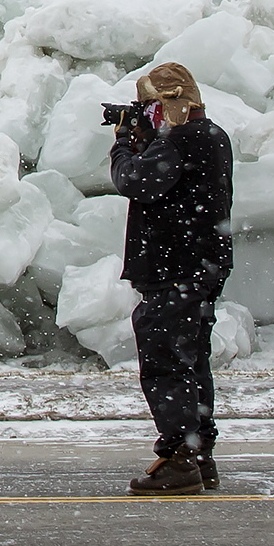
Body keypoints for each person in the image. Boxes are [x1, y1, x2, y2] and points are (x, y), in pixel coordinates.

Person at [106, 60, 234, 494]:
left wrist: (123, 145)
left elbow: (135, 181)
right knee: (192, 360)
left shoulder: (179, 142)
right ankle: (200, 454)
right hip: (202, 265)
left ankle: (179, 458)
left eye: (149, 106)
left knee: (165, 362)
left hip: (173, 267)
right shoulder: (214, 137)